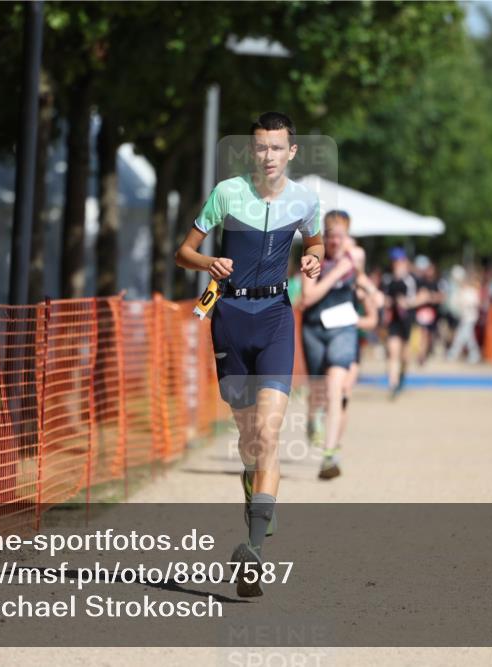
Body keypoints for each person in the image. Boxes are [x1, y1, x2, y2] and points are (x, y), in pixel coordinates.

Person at [174, 111, 323, 595]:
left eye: (277, 148)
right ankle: (252, 481)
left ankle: (254, 549)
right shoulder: (226, 193)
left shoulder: (305, 199)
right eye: (261, 147)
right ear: (251, 151)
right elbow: (183, 252)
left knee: (270, 431)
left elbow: (315, 238)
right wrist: (206, 261)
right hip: (230, 318)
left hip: (277, 315)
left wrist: (313, 256)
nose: (269, 156)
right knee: (247, 437)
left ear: (291, 152)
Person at [300, 211, 381, 480]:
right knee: (318, 390)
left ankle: (329, 454)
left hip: (343, 330)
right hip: (314, 329)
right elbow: (308, 297)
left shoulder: (353, 258)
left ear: (346, 236)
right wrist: (337, 273)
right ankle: (313, 418)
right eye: (330, 235)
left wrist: (370, 290)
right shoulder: (313, 259)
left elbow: (365, 283)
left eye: (340, 236)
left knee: (337, 388)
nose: (335, 241)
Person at [383, 248, 420, 399]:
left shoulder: (411, 280)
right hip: (393, 321)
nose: (396, 264)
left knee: (405, 356)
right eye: (394, 261)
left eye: (399, 261)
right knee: (393, 352)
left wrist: (407, 303)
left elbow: (419, 297)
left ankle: (402, 376)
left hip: (407, 321)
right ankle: (393, 384)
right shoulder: (388, 279)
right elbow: (384, 298)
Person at [446, 266, 482, 364]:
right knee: (466, 336)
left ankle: (455, 353)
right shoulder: (461, 292)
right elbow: (455, 304)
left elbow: (476, 303)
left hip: (470, 318)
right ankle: (472, 354)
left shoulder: (472, 291)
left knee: (464, 337)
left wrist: (466, 304)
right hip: (464, 317)